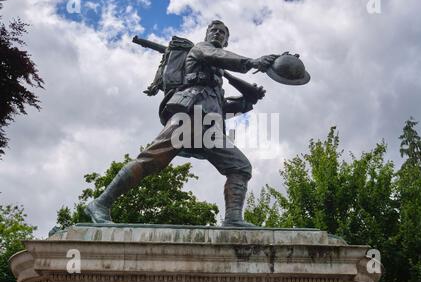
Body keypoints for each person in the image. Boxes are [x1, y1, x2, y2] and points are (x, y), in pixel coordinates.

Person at [85, 20, 278, 227]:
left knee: (240, 167)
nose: (217, 33)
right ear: (206, 35)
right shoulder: (202, 49)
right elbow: (216, 56)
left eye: (222, 32)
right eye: (213, 30)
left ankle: (233, 219)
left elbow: (222, 109)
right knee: (150, 161)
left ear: (227, 40)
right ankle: (100, 204)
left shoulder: (214, 82)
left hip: (208, 126)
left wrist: (247, 101)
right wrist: (251, 62)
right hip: (189, 117)